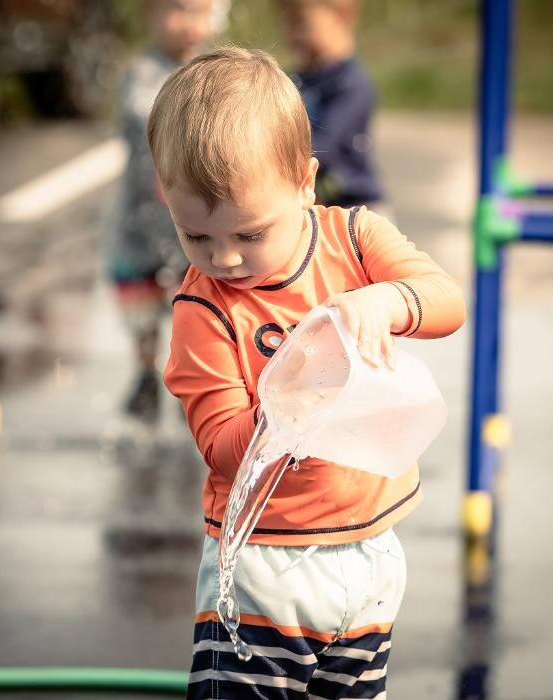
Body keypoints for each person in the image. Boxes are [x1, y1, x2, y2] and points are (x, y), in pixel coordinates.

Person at [148, 47, 465, 698]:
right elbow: (223, 449)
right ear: (166, 197)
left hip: (370, 556)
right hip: (266, 567)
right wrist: (292, 392)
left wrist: (386, 300)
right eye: (197, 238)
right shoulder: (204, 309)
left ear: (304, 181)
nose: (227, 259)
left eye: (250, 233)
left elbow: (448, 302)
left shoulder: (354, 238)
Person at [107, 0, 215, 422]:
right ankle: (144, 373)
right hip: (141, 215)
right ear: (148, 16)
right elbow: (139, 116)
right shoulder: (142, 72)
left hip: (188, 219)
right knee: (141, 299)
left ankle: (190, 373)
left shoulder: (212, 68)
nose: (190, 22)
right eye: (178, 10)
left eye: (199, 11)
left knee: (191, 296)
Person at [277, 0, 384, 210]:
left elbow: (324, 145)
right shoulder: (298, 79)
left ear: (342, 17)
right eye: (286, 21)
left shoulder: (351, 83)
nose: (290, 32)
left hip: (356, 206)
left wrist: (271, 156)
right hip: (319, 204)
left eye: (299, 22)